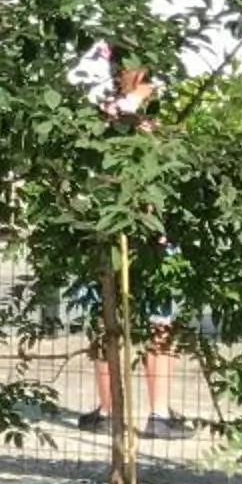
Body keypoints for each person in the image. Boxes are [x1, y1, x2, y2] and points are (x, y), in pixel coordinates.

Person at [69, 46, 192, 441]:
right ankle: (119, 410)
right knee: (117, 318)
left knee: (149, 319)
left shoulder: (127, 110)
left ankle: (142, 411)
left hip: (141, 228)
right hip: (131, 227)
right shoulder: (122, 109)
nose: (121, 71)